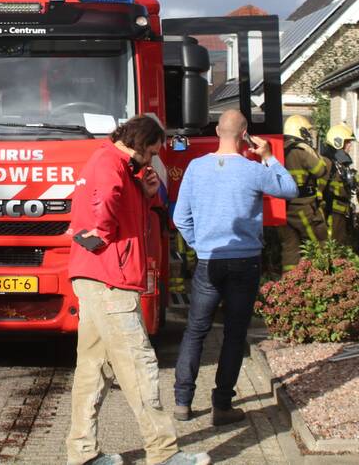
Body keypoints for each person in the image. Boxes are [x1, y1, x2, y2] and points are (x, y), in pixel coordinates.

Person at [66, 115, 211, 465]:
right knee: (139, 365)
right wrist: (102, 234)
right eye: (153, 152)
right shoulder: (112, 166)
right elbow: (104, 207)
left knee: (93, 368)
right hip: (111, 281)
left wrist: (146, 195)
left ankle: (82, 454)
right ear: (141, 143)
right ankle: (163, 454)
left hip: (94, 278)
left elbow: (120, 210)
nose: (153, 159)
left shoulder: (112, 162)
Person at [172, 110, 297, 425]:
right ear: (245, 136)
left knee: (195, 330)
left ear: (217, 130)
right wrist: (269, 157)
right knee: (234, 332)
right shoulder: (253, 170)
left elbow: (179, 218)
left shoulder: (195, 168)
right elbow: (289, 189)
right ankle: (222, 405)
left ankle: (182, 402)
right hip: (245, 261)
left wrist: (199, 244)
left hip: (209, 259)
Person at [277, 114, 328, 269]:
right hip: (302, 207)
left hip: (283, 207)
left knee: (290, 247)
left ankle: (289, 283)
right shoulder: (302, 150)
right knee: (315, 243)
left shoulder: (279, 148)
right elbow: (320, 170)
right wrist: (313, 150)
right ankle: (321, 278)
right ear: (301, 132)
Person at [317, 123, 359, 251]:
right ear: (338, 142)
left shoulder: (341, 163)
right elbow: (319, 190)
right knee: (331, 246)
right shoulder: (327, 162)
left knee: (340, 245)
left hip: (341, 213)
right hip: (331, 213)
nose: (350, 146)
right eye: (347, 142)